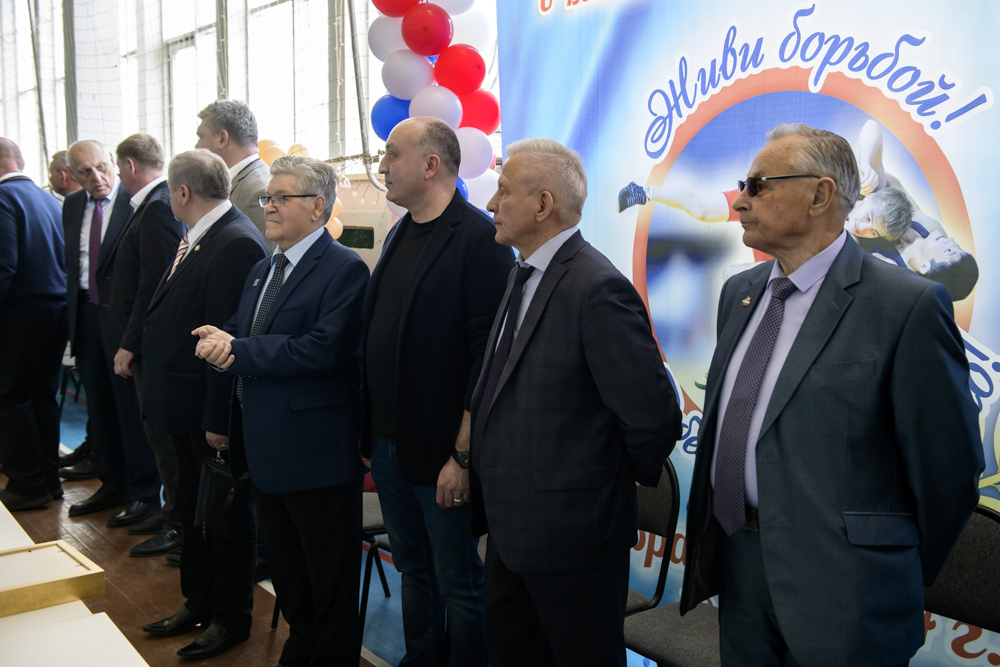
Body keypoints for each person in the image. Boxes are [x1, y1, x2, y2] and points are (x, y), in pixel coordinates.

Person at [680, 123, 984, 666]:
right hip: (741, 568)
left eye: (758, 185)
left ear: (820, 195)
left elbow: (949, 471)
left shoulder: (906, 307)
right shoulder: (739, 293)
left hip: (849, 592)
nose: (742, 201)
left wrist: (884, 568)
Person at [471, 137, 681, 667]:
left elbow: (654, 416)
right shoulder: (522, 274)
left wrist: (600, 481)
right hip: (511, 530)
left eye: (503, 190)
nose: (491, 203)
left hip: (574, 538)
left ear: (543, 204)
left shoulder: (596, 288)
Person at [193, 156, 370, 665]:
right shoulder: (263, 269)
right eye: (267, 197)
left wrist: (237, 349)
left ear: (317, 207)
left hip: (316, 453)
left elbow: (322, 349)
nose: (268, 206)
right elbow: (242, 331)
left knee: (329, 579)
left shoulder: (344, 269)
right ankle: (301, 649)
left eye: (280, 198)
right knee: (289, 572)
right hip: (265, 451)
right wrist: (219, 338)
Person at [359, 117, 514, 666]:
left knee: (459, 581)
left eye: (391, 154)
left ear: (430, 164)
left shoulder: (479, 240)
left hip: (444, 453)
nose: (381, 166)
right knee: (415, 570)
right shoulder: (401, 230)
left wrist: (462, 456)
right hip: (389, 444)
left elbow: (488, 360)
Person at [140, 149, 267, 661]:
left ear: (183, 192)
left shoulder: (234, 242)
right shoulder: (201, 234)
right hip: (182, 406)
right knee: (195, 514)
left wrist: (218, 420)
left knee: (224, 518)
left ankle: (229, 616)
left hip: (206, 414)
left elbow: (225, 341)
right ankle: (198, 601)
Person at [97, 134, 186, 555]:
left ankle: (177, 523)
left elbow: (155, 284)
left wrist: (130, 342)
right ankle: (166, 512)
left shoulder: (157, 208)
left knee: (164, 441)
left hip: (150, 345)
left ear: (129, 165)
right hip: (142, 342)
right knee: (155, 438)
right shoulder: (149, 206)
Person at [63, 140, 139, 517]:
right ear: (72, 176)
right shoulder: (72, 205)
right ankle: (111, 486)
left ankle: (142, 492)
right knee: (99, 406)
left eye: (101, 167)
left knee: (128, 408)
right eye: (84, 172)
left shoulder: (135, 203)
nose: (96, 177)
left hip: (122, 321)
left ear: (113, 161)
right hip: (85, 316)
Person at [0, 138, 68, 511]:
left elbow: (4, 264)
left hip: (20, 313)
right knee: (42, 395)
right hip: (56, 310)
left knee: (12, 396)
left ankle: (26, 484)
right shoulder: (49, 200)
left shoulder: (3, 198)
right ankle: (49, 479)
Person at [195, 100, 273, 249]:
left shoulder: (257, 192)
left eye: (201, 136)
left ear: (222, 139)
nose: (196, 146)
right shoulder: (246, 183)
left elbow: (261, 258)